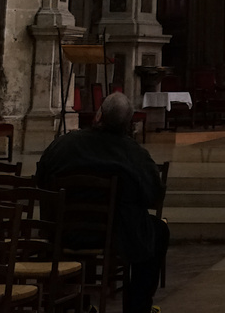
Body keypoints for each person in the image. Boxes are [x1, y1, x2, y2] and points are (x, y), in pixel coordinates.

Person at [36, 91, 168, 313]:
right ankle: (138, 307)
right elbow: (153, 196)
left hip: (63, 231)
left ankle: (76, 303)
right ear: (129, 124)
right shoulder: (133, 154)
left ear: (98, 116)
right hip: (114, 236)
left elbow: (41, 180)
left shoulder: (64, 145)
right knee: (159, 232)